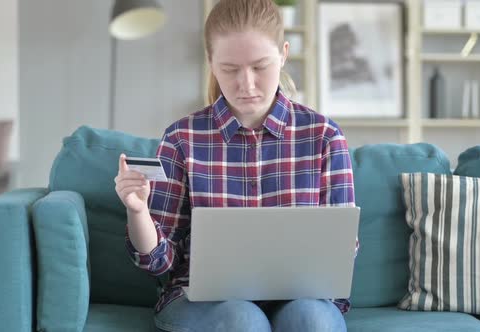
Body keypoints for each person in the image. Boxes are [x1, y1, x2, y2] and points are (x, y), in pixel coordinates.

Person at [114, 0, 356, 331]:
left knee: (311, 319)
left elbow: (338, 255)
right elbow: (160, 262)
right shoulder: (182, 138)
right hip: (203, 302)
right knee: (243, 319)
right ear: (211, 62)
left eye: (260, 67)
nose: (247, 84)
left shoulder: (324, 136)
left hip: (303, 299)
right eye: (230, 69)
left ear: (283, 54)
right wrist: (138, 211)